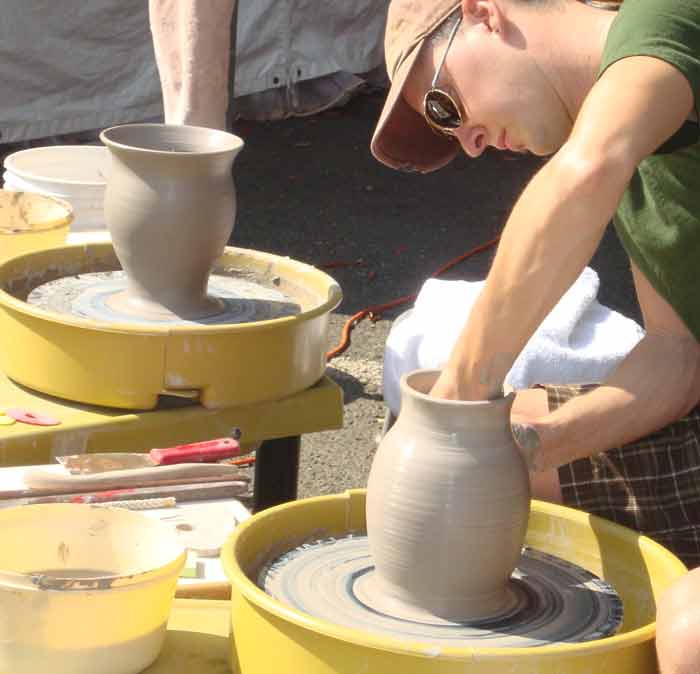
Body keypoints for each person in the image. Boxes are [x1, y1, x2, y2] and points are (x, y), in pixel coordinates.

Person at [370, 0, 700, 671]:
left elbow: (585, 170)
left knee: (690, 632)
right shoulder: (636, 157)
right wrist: (532, 446)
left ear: (483, 13)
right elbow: (676, 358)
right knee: (485, 440)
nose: (467, 142)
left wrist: (461, 393)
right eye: (446, 129)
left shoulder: (666, 20)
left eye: (444, 105)